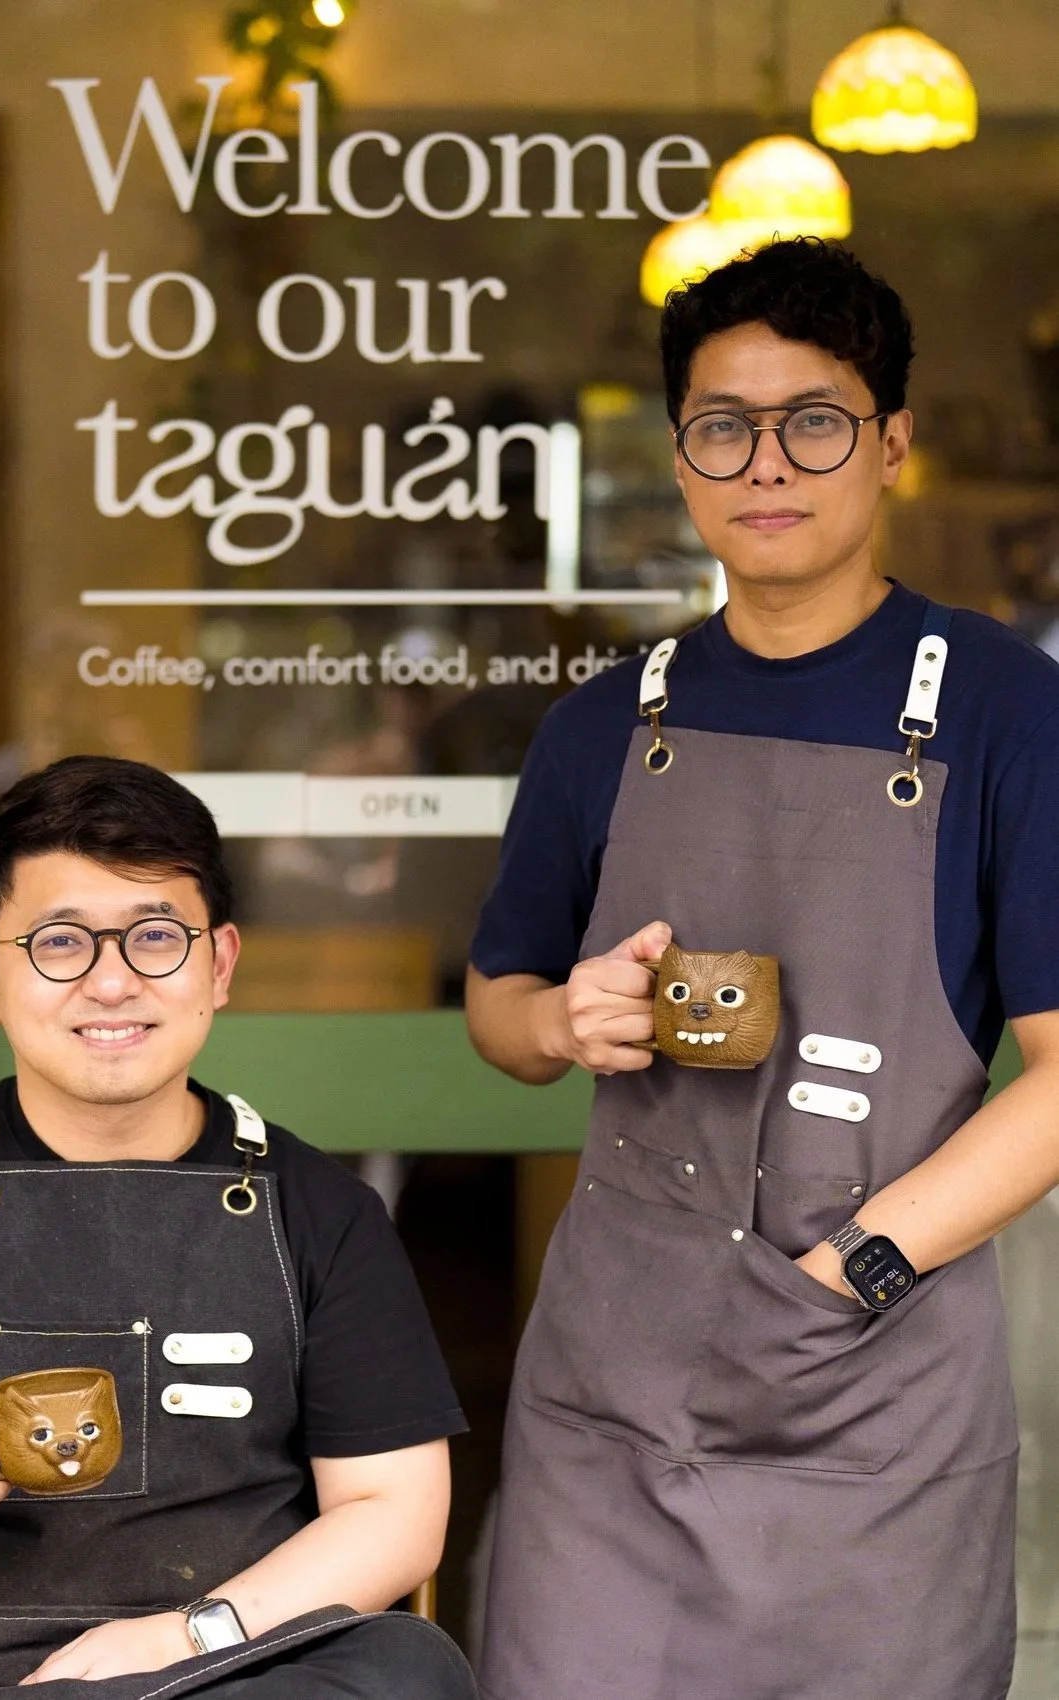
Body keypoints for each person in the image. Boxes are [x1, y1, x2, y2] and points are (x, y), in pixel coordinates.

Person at [465, 237, 1059, 1700]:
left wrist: (853, 1269)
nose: (766, 462)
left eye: (814, 421)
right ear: (679, 455)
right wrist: (562, 1019)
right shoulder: (605, 721)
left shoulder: (1002, 710)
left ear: (892, 442)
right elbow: (497, 1009)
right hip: (610, 1392)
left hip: (871, 1391)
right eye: (722, 426)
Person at [0, 755, 476, 1700]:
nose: (111, 984)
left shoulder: (324, 1213)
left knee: (409, 1666)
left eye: (155, 936)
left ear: (218, 964)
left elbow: (392, 1507)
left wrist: (190, 1637)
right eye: (60, 942)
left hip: (240, 1670)